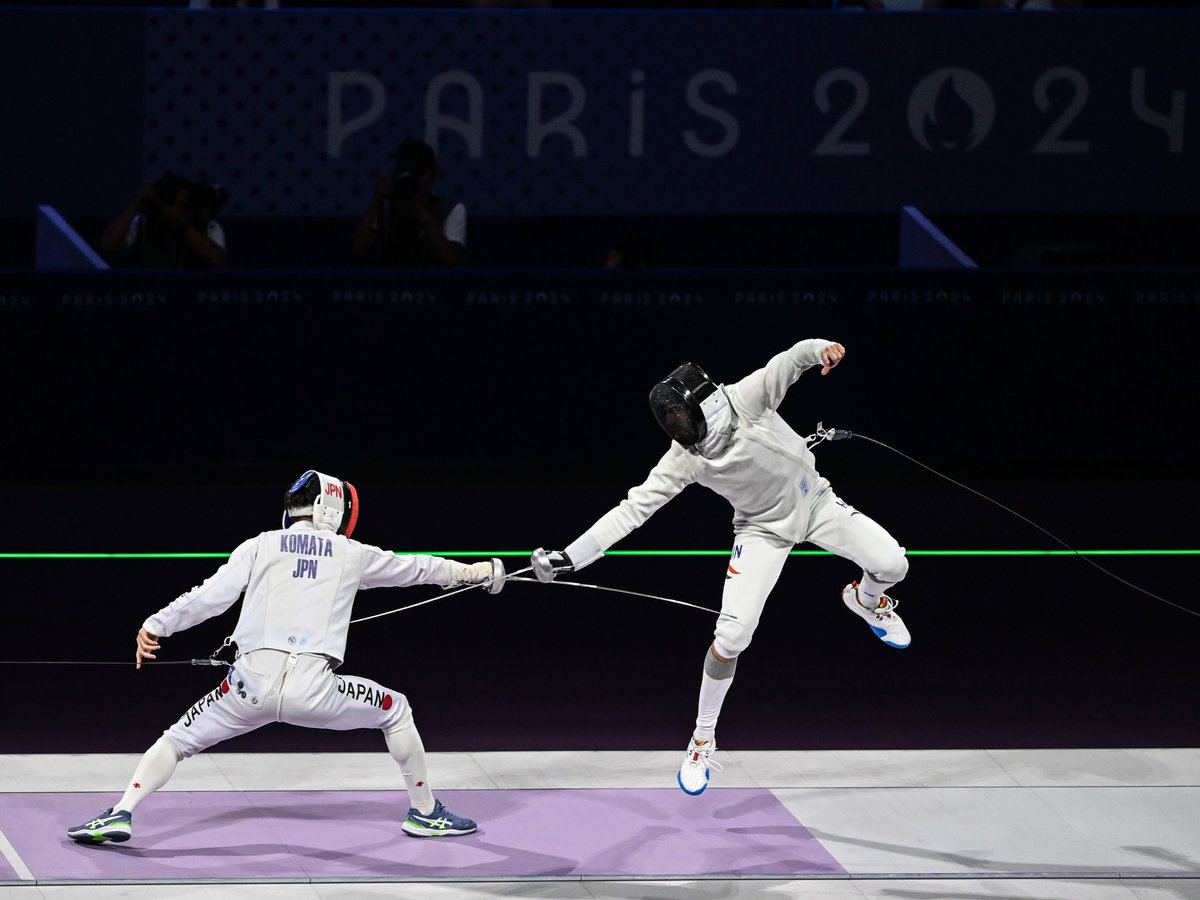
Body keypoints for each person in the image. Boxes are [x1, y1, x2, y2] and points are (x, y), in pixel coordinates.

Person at [531, 339, 910, 796]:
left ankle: (865, 600)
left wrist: (820, 350)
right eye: (670, 417)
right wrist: (571, 556)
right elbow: (632, 510)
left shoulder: (746, 398)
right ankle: (702, 738)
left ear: (704, 406)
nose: (676, 425)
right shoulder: (684, 458)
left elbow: (789, 361)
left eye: (680, 415)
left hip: (817, 503)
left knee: (893, 564)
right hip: (760, 531)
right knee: (731, 636)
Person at [67, 469, 499, 845]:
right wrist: (475, 572)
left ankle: (121, 812)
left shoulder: (260, 545)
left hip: (245, 689)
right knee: (396, 710)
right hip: (315, 692)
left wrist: (156, 625)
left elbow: (209, 596)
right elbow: (418, 568)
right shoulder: (351, 554)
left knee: (176, 740)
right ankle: (425, 813)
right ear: (334, 510)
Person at [353, 140, 467, 267]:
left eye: (419, 173)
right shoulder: (386, 207)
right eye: (406, 172)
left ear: (433, 175)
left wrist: (422, 212)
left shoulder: (452, 209)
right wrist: (377, 200)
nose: (414, 179)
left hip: (433, 276)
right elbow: (359, 248)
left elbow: (451, 257)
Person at [98, 173, 228, 268]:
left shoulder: (208, 226)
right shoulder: (143, 224)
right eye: (173, 203)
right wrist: (135, 206)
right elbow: (107, 245)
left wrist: (181, 224)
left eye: (182, 205)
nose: (176, 209)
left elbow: (216, 259)